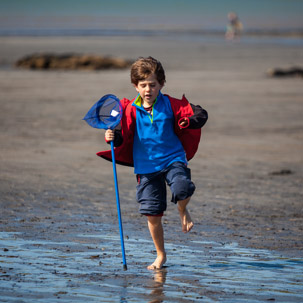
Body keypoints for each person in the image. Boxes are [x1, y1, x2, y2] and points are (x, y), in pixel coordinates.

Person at [98, 56, 208, 270]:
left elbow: (200, 114)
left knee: (183, 188)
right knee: (152, 212)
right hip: (146, 167)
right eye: (143, 85)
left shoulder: (170, 104)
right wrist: (112, 137)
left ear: (162, 84)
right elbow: (120, 132)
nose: (148, 89)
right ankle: (160, 255)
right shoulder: (129, 110)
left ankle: (183, 210)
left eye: (152, 84)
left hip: (172, 158)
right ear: (135, 86)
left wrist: (187, 121)